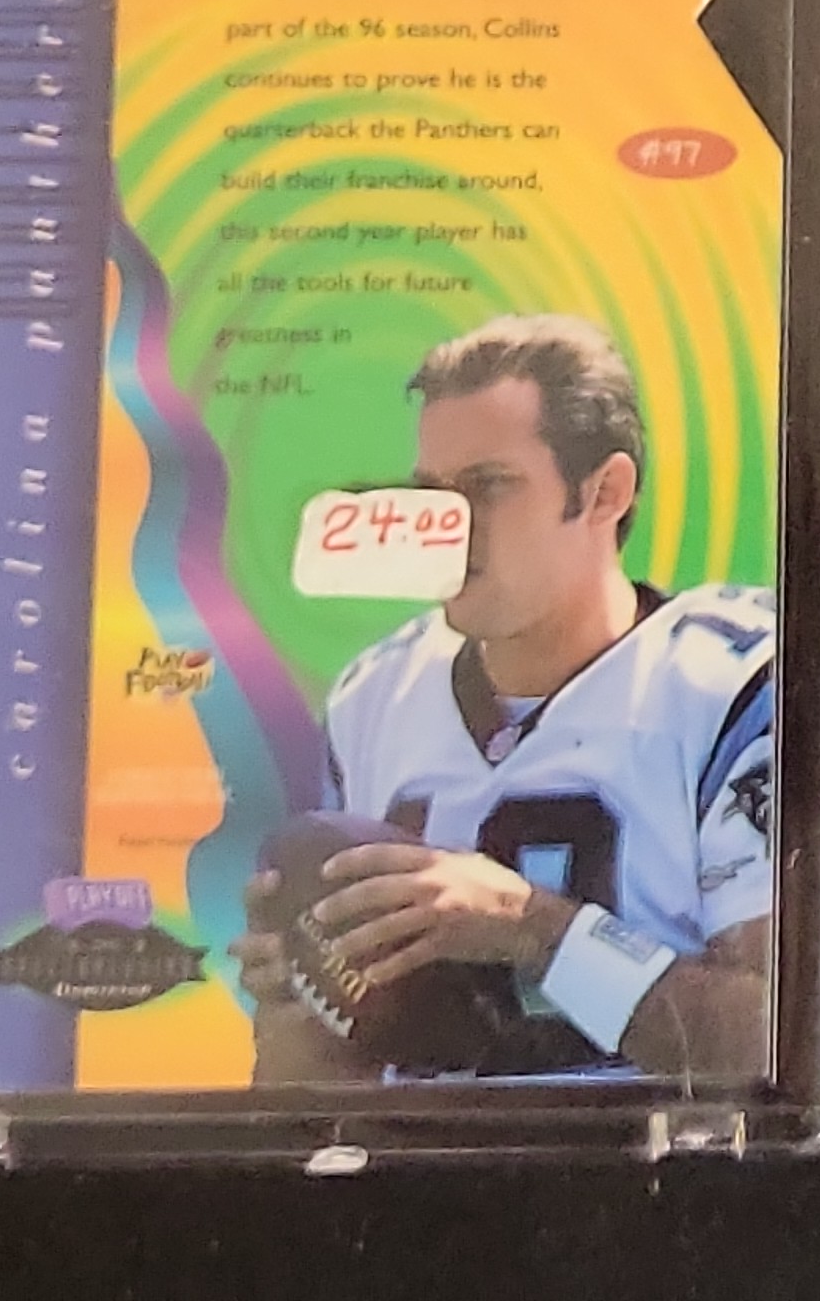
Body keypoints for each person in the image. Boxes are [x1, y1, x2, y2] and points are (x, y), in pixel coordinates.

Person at [238, 316, 775, 1081]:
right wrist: (300, 1002)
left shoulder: (733, 684)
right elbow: (313, 1091)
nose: (448, 527)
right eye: (432, 495)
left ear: (605, 492)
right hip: (427, 1157)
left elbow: (776, 1045)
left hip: (652, 1157)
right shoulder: (374, 695)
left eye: (488, 487)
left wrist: (533, 929)